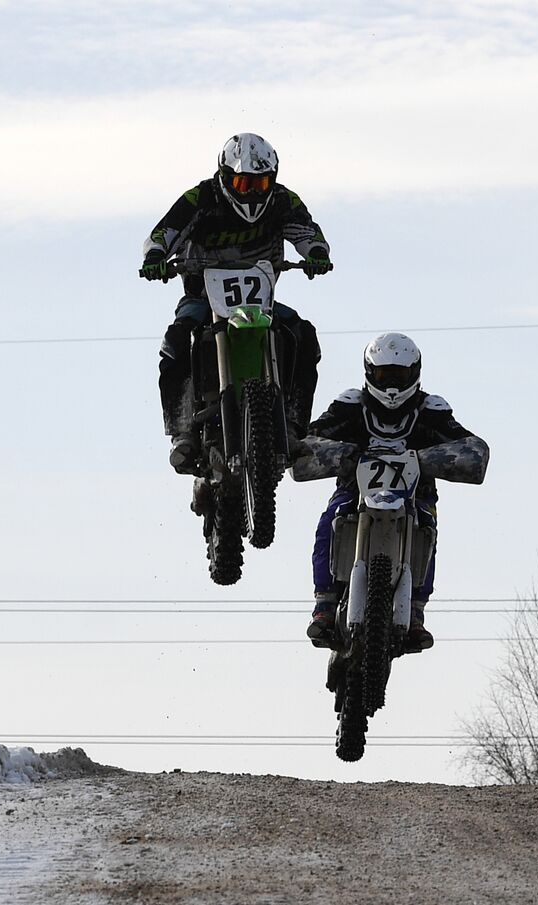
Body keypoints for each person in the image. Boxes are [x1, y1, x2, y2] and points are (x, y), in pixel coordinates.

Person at [139, 133, 334, 475]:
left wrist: (316, 253)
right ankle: (182, 430)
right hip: (203, 295)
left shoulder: (282, 201)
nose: (251, 191)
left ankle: (293, 423)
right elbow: (162, 233)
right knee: (176, 340)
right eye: (243, 182)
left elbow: (308, 233)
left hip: (260, 298)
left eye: (259, 182)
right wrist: (156, 256)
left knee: (303, 335)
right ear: (226, 176)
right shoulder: (200, 198)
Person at [300, 333, 490, 653]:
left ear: (414, 373)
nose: (391, 384)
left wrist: (435, 459)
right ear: (370, 372)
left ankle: (415, 613)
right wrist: (342, 454)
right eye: (385, 374)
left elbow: (470, 446)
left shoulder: (431, 409)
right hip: (354, 491)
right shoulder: (351, 405)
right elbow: (308, 441)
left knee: (427, 529)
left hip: (416, 498)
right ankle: (325, 603)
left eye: (399, 375)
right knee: (329, 520)